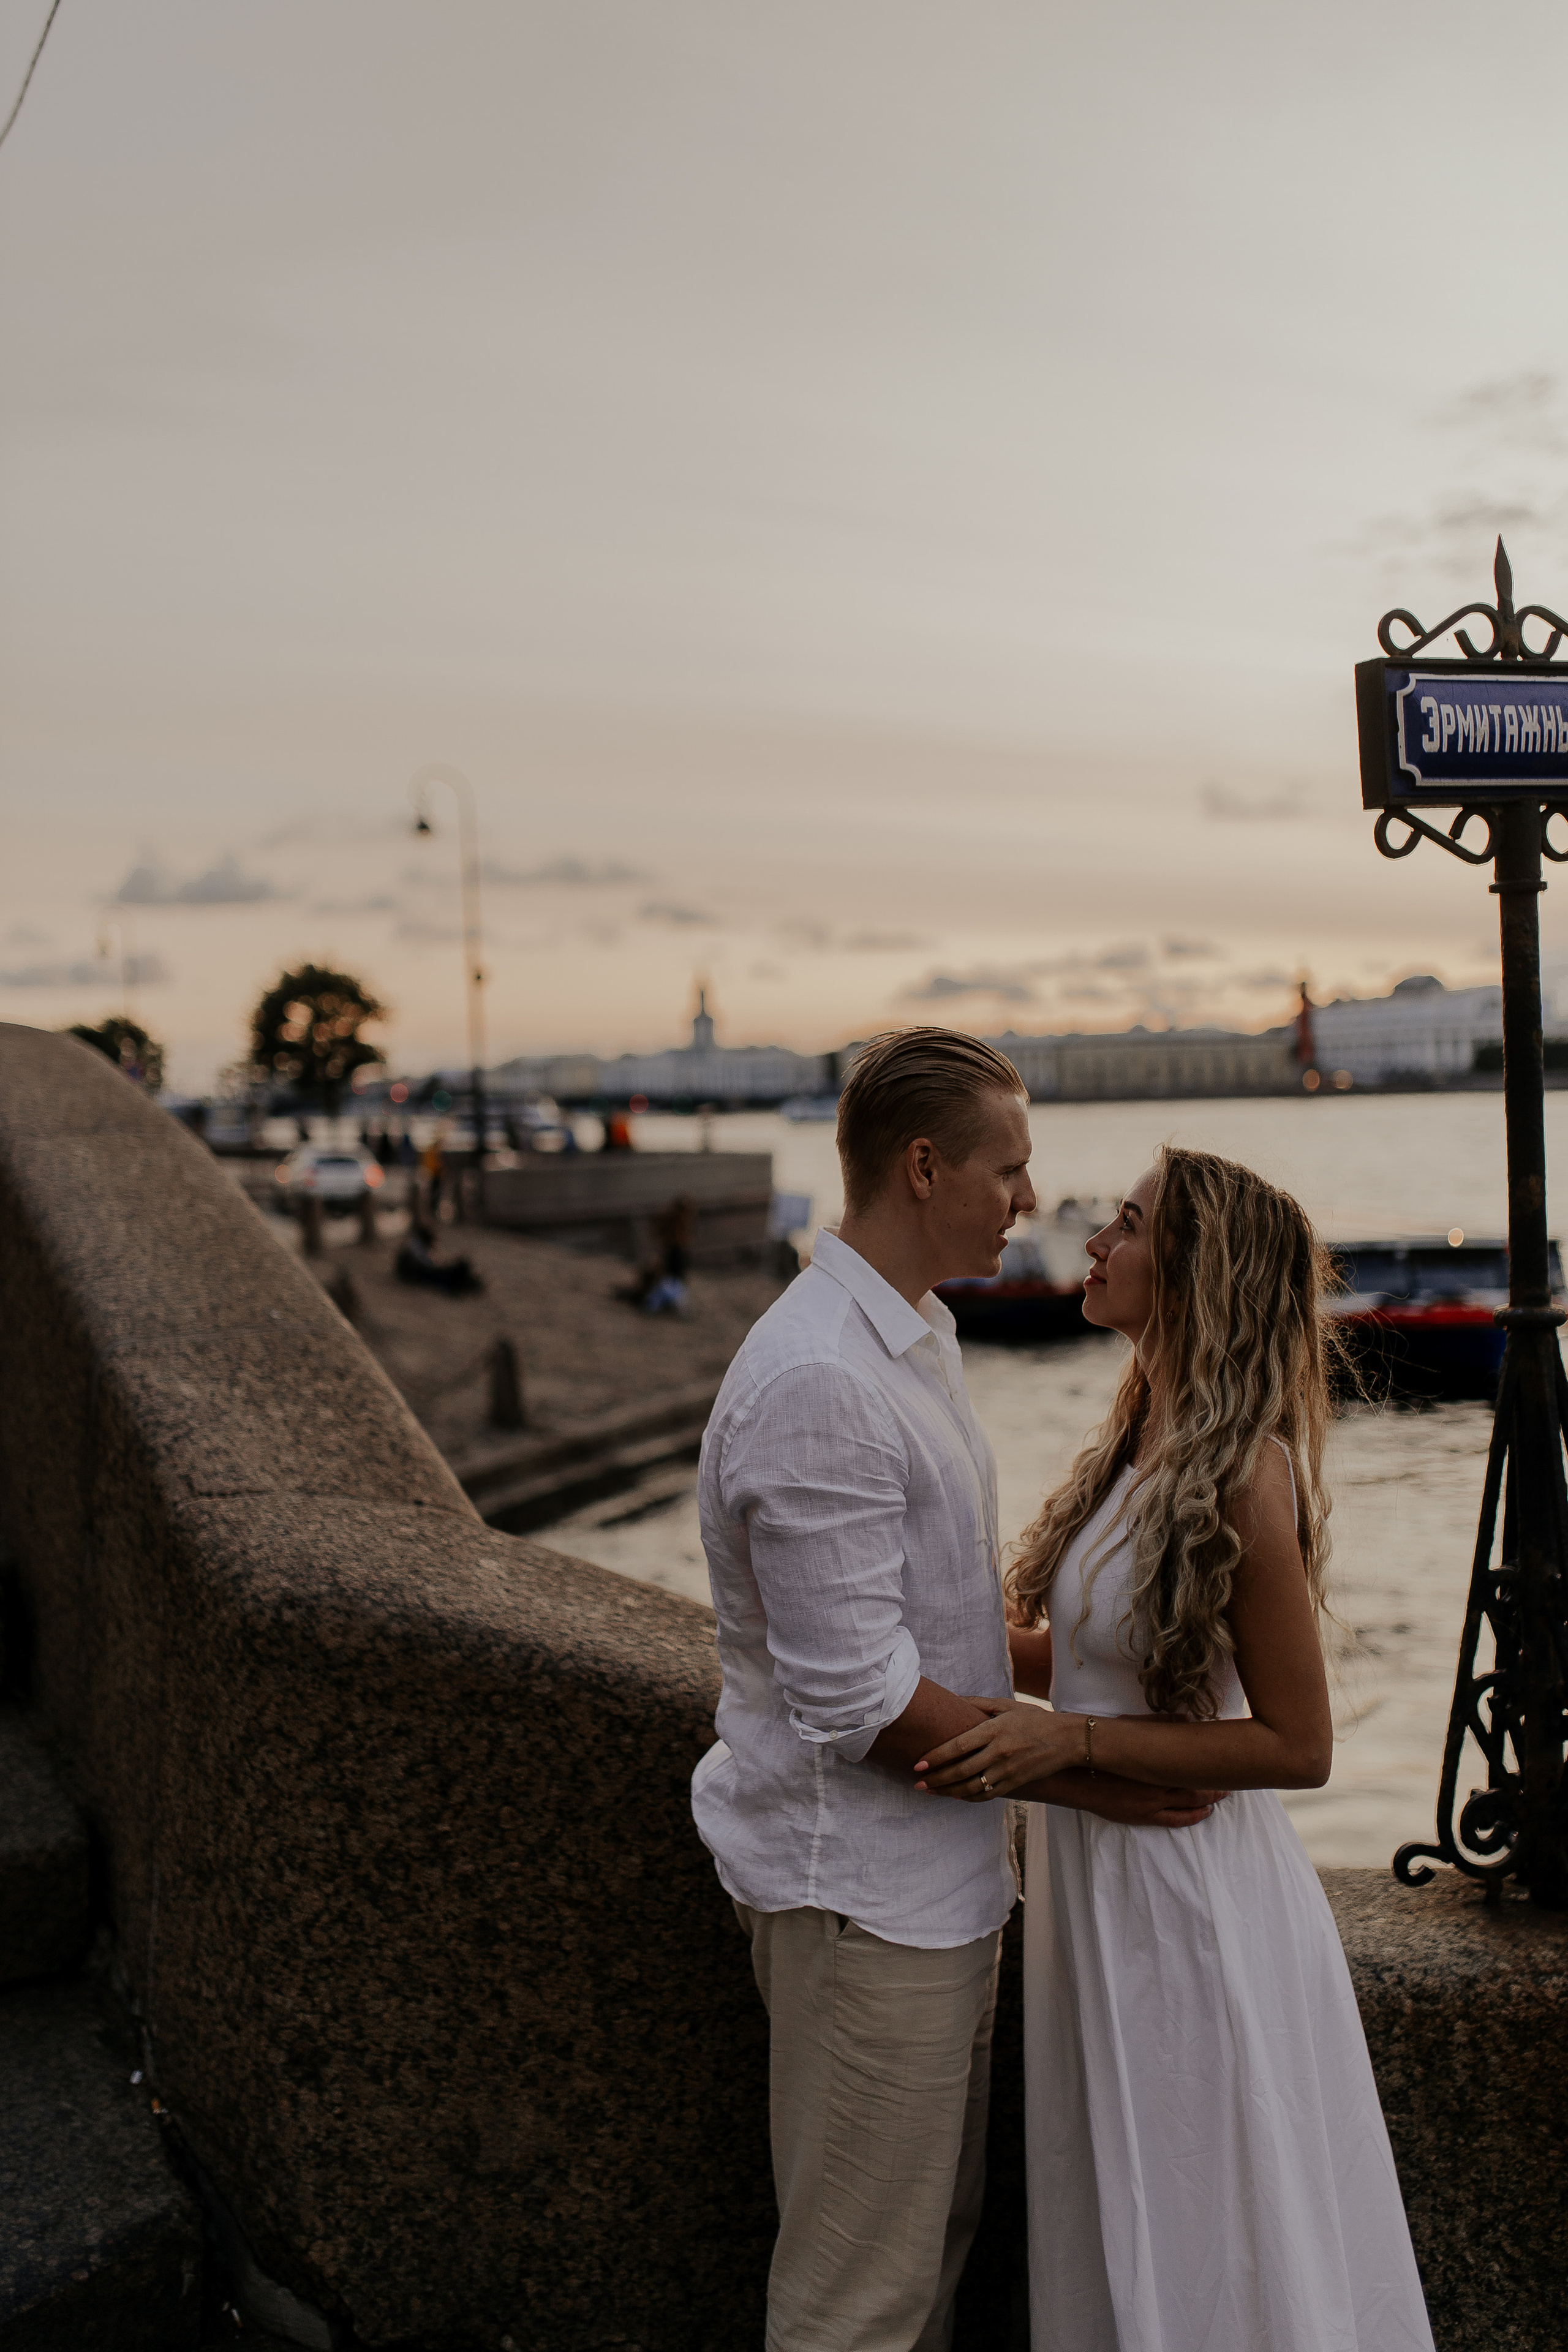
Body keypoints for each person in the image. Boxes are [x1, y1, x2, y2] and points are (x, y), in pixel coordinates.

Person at [692, 1033, 1226, 2352]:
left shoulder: (907, 1333)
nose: (1029, 1200)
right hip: (861, 1900)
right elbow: (860, 1700)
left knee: (924, 2263)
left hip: (929, 1887)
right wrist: (1101, 1773)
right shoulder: (821, 1376)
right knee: (856, 2306)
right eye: (1009, 1168)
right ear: (923, 1167)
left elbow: (941, 1622)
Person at [916, 1147, 1436, 2352]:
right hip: (1098, 1883)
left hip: (1187, 1899)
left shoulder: (1244, 1474)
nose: (1092, 1241)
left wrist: (1069, 1743)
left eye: (1128, 1225)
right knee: (1115, 2208)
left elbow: (1295, 1744)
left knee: (1199, 2228)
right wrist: (925, 1642)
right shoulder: (1134, 1447)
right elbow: (1088, 1656)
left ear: (1194, 1271)